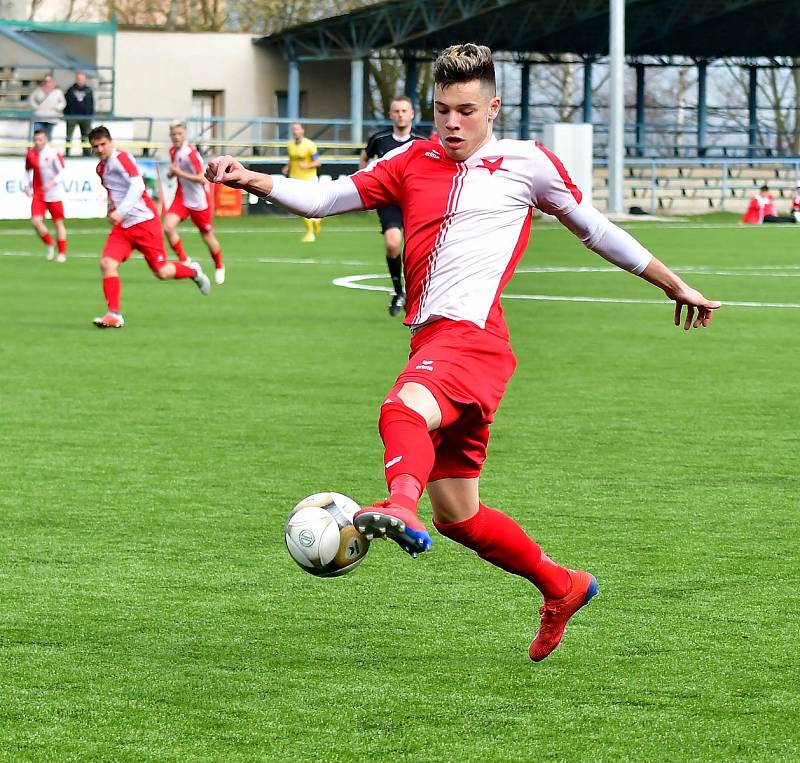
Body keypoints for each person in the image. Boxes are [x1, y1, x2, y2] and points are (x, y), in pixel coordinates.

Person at [206, 43, 721, 661]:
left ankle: (398, 505)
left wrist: (673, 282)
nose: (451, 124)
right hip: (437, 339)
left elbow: (597, 230)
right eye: (441, 110)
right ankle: (563, 586)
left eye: (466, 111)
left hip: (471, 338)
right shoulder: (411, 159)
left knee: (401, 410)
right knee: (458, 513)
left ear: (493, 108)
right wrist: (253, 178)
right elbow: (326, 198)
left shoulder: (526, 163)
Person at [89, 125, 211, 329]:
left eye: (103, 144)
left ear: (111, 142)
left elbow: (137, 186)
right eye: (96, 146)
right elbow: (114, 192)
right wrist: (111, 209)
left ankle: (193, 272)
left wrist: (121, 211)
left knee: (162, 272)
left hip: (145, 223)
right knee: (107, 264)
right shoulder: (101, 169)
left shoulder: (122, 159)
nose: (100, 149)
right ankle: (114, 314)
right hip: (124, 228)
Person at [360, 96, 427, 316]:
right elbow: (364, 159)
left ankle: (418, 296)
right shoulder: (379, 139)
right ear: (390, 114)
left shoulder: (421, 142)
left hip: (415, 201)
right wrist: (365, 186)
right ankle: (398, 292)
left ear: (412, 114)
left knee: (417, 250)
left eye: (404, 111)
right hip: (388, 200)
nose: (400, 114)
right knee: (392, 244)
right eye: (396, 111)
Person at [163, 120, 225, 284]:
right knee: (168, 226)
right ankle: (185, 261)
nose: (176, 137)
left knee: (207, 236)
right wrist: (172, 174)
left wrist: (179, 173)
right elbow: (176, 171)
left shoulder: (191, 154)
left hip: (198, 201)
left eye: (179, 134)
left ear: (185, 134)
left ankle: (219, 265)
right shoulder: (172, 151)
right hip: (182, 197)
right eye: (173, 134)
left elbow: (202, 179)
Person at [24, 128, 67, 262]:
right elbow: (27, 171)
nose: (37, 142)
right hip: (39, 194)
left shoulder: (53, 153)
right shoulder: (30, 154)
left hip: (54, 194)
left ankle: (62, 253)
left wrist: (52, 183)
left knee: (58, 223)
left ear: (46, 140)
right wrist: (26, 185)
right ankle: (49, 243)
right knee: (35, 221)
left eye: (40, 139)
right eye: (35, 140)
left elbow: (63, 172)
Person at [282, 122, 322, 242]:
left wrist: (307, 165)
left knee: (306, 205)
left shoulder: (310, 145)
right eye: (293, 129)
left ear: (302, 131)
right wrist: (287, 167)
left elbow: (318, 162)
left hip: (309, 179)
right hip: (295, 179)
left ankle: (310, 233)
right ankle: (316, 220)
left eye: (297, 129)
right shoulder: (290, 145)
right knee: (299, 206)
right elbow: (291, 159)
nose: (295, 131)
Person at [64, 71, 94, 157]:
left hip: (85, 117)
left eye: (82, 79)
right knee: (69, 136)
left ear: (84, 80)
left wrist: (90, 115)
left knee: (85, 136)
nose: (80, 81)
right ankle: (67, 152)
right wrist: (67, 114)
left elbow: (91, 103)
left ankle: (86, 152)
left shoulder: (88, 90)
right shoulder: (70, 90)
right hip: (72, 117)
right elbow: (66, 102)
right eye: (78, 79)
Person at [29, 74, 66, 140]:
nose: (47, 83)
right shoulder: (38, 90)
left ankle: (46, 150)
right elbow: (31, 99)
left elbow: (63, 102)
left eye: (49, 81)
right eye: (45, 81)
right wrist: (36, 107)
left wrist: (57, 108)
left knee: (48, 138)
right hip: (39, 118)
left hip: (51, 118)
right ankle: (36, 150)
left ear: (52, 81)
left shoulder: (58, 91)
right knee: (37, 137)